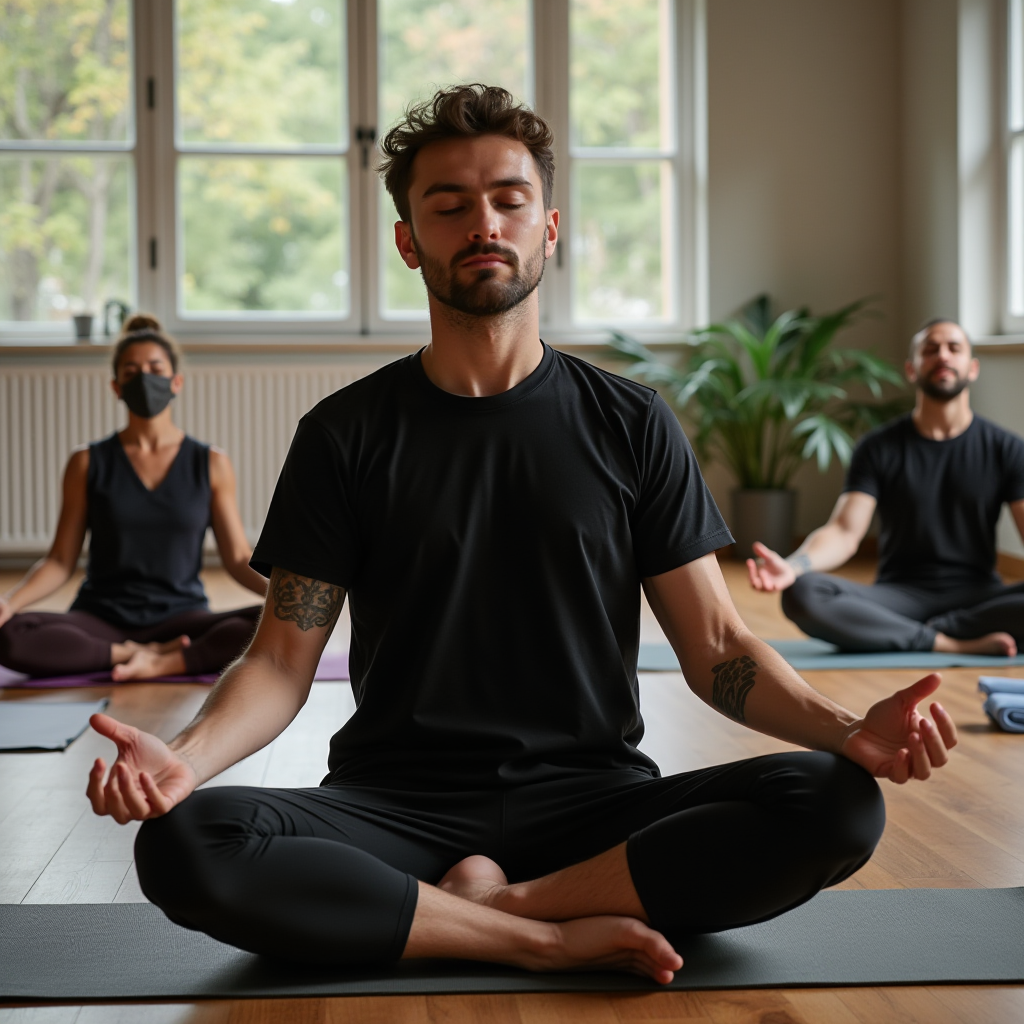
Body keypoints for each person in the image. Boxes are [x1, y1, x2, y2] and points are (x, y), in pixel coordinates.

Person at [85, 86, 955, 985]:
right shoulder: (344, 434)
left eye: (509, 199)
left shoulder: (632, 423)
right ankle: (542, 937)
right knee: (186, 841)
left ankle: (503, 906)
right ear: (408, 240)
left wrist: (849, 730)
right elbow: (276, 665)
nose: (483, 224)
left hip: (592, 804)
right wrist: (180, 762)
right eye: (448, 205)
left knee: (834, 803)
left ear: (549, 228)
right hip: (394, 806)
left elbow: (721, 647)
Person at [0, 315, 267, 680]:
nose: (144, 377)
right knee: (10, 635)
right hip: (102, 618)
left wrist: (282, 597)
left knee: (268, 623)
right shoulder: (86, 461)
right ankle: (131, 654)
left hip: (182, 617)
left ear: (176, 381)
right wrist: (8, 603)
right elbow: (61, 561)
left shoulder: (211, 462)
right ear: (116, 386)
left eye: (155, 368)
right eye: (131, 371)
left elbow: (237, 558)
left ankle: (166, 660)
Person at [748, 318, 1024, 656]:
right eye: (931, 349)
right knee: (803, 592)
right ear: (912, 369)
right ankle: (947, 642)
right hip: (898, 596)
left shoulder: (1007, 449)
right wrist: (793, 566)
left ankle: (933, 630)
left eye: (954, 348)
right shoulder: (879, 447)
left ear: (973, 367)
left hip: (980, 596)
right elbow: (845, 532)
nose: (943, 356)